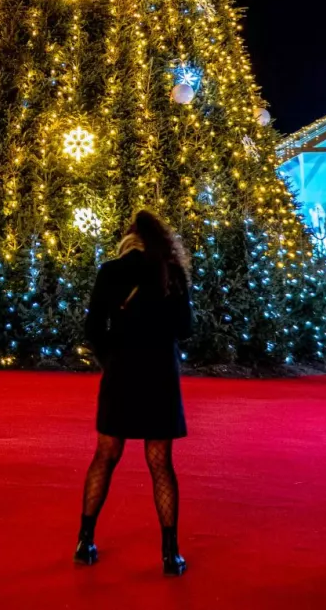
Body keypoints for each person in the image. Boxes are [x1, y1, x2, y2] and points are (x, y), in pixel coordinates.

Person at [74, 210, 194, 577]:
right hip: (159, 373)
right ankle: (170, 553)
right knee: (160, 463)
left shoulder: (110, 271)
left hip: (122, 372)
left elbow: (93, 327)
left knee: (105, 455)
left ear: (128, 239)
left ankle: (84, 539)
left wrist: (111, 356)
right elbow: (186, 328)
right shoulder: (170, 271)